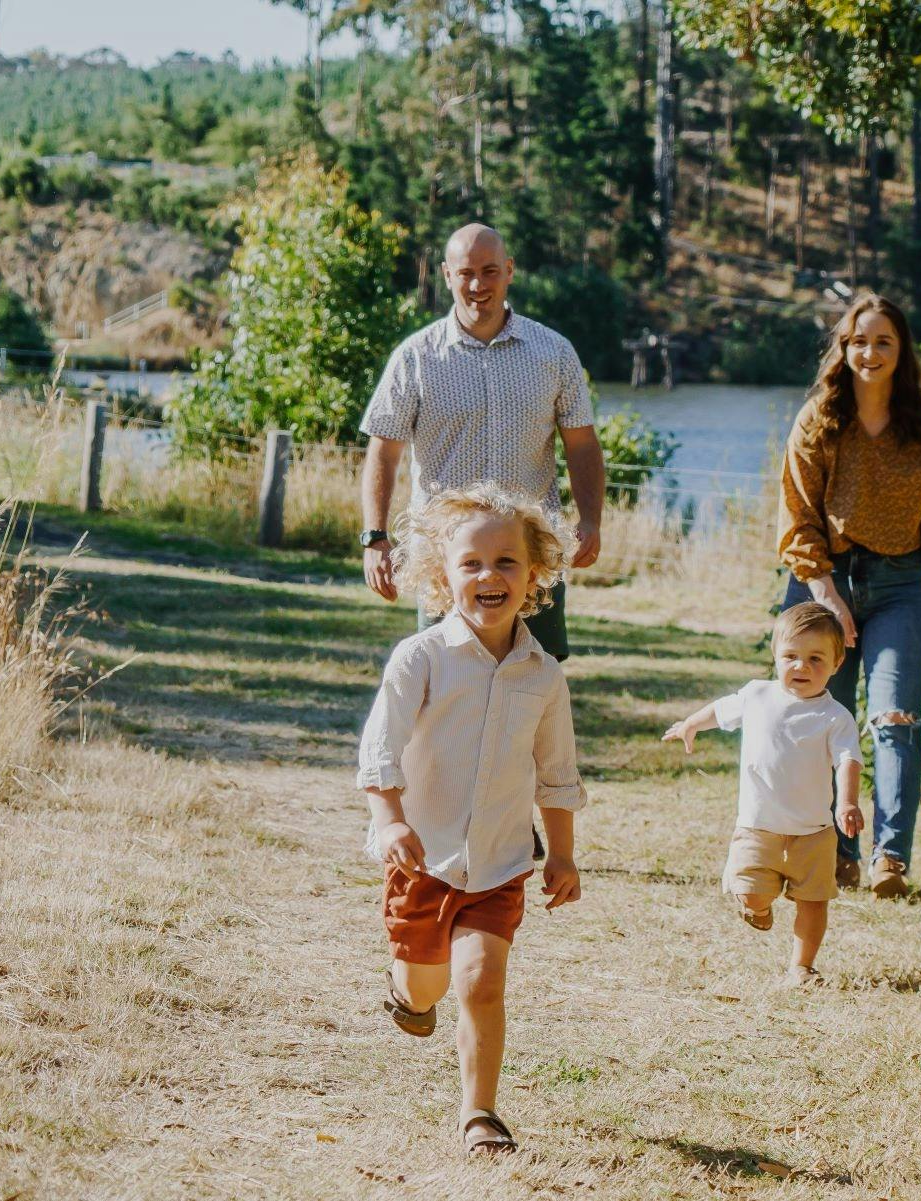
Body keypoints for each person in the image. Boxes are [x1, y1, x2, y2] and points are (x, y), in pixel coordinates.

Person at [356, 484, 586, 1156]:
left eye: (507, 561)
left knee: (482, 982)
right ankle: (406, 990)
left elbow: (557, 774)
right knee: (426, 982)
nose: (491, 576)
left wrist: (563, 855)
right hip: (422, 860)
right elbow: (380, 747)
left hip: (501, 861)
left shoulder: (543, 676)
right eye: (472, 563)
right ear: (441, 574)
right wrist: (390, 819)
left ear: (535, 575)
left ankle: (479, 1112)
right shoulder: (421, 659)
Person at [778, 293, 921, 898]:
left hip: (903, 583)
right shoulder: (820, 419)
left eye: (884, 341)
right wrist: (826, 592)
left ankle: (890, 859)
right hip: (824, 576)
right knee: (824, 718)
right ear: (843, 348)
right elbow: (798, 514)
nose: (870, 352)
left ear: (902, 351)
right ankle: (834, 852)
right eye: (859, 340)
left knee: (895, 718)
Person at [358, 222, 606, 662]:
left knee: (535, 680)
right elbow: (384, 449)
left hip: (530, 556)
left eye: (490, 271)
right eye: (466, 272)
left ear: (509, 271)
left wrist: (590, 519)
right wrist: (375, 538)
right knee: (444, 686)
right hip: (446, 558)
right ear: (447, 275)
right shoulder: (415, 357)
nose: (478, 285)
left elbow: (582, 444)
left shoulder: (554, 352)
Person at [661, 603, 864, 987]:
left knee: (814, 902)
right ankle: (757, 906)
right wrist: (690, 724)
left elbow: (848, 760)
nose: (801, 667)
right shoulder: (757, 696)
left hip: (814, 831)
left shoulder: (835, 717)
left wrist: (849, 802)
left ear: (837, 663)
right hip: (758, 827)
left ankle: (802, 967)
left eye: (815, 659)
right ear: (775, 656)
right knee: (750, 893)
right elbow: (719, 712)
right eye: (791, 657)